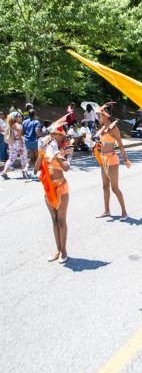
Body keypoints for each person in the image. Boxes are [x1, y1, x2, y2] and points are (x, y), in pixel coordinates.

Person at [35, 124, 73, 263]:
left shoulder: (67, 147)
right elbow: (36, 169)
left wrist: (57, 153)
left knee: (61, 220)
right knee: (54, 220)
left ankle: (64, 251)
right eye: (51, 134)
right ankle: (57, 249)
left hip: (61, 187)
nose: (52, 137)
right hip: (48, 189)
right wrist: (42, 153)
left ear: (61, 136)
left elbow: (67, 167)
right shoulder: (47, 148)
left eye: (56, 134)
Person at [95, 102, 131, 220]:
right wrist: (95, 147)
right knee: (105, 186)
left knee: (114, 188)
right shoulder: (102, 129)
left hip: (112, 159)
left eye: (99, 115)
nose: (98, 117)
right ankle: (106, 211)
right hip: (103, 159)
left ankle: (124, 212)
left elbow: (120, 145)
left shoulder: (113, 128)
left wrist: (125, 159)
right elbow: (102, 144)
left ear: (105, 116)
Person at [1, 112, 29, 180]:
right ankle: (24, 172)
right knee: (24, 158)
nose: (20, 117)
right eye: (19, 116)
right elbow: (20, 137)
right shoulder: (18, 126)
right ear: (15, 117)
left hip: (12, 143)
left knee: (11, 158)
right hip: (18, 143)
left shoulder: (10, 125)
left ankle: (4, 172)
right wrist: (21, 147)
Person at [22, 109, 42, 173]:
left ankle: (25, 169)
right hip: (34, 141)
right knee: (37, 158)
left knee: (31, 158)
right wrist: (42, 132)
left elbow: (22, 132)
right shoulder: (36, 122)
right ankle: (35, 173)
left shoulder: (24, 122)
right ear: (35, 114)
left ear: (28, 114)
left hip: (26, 142)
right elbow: (37, 133)